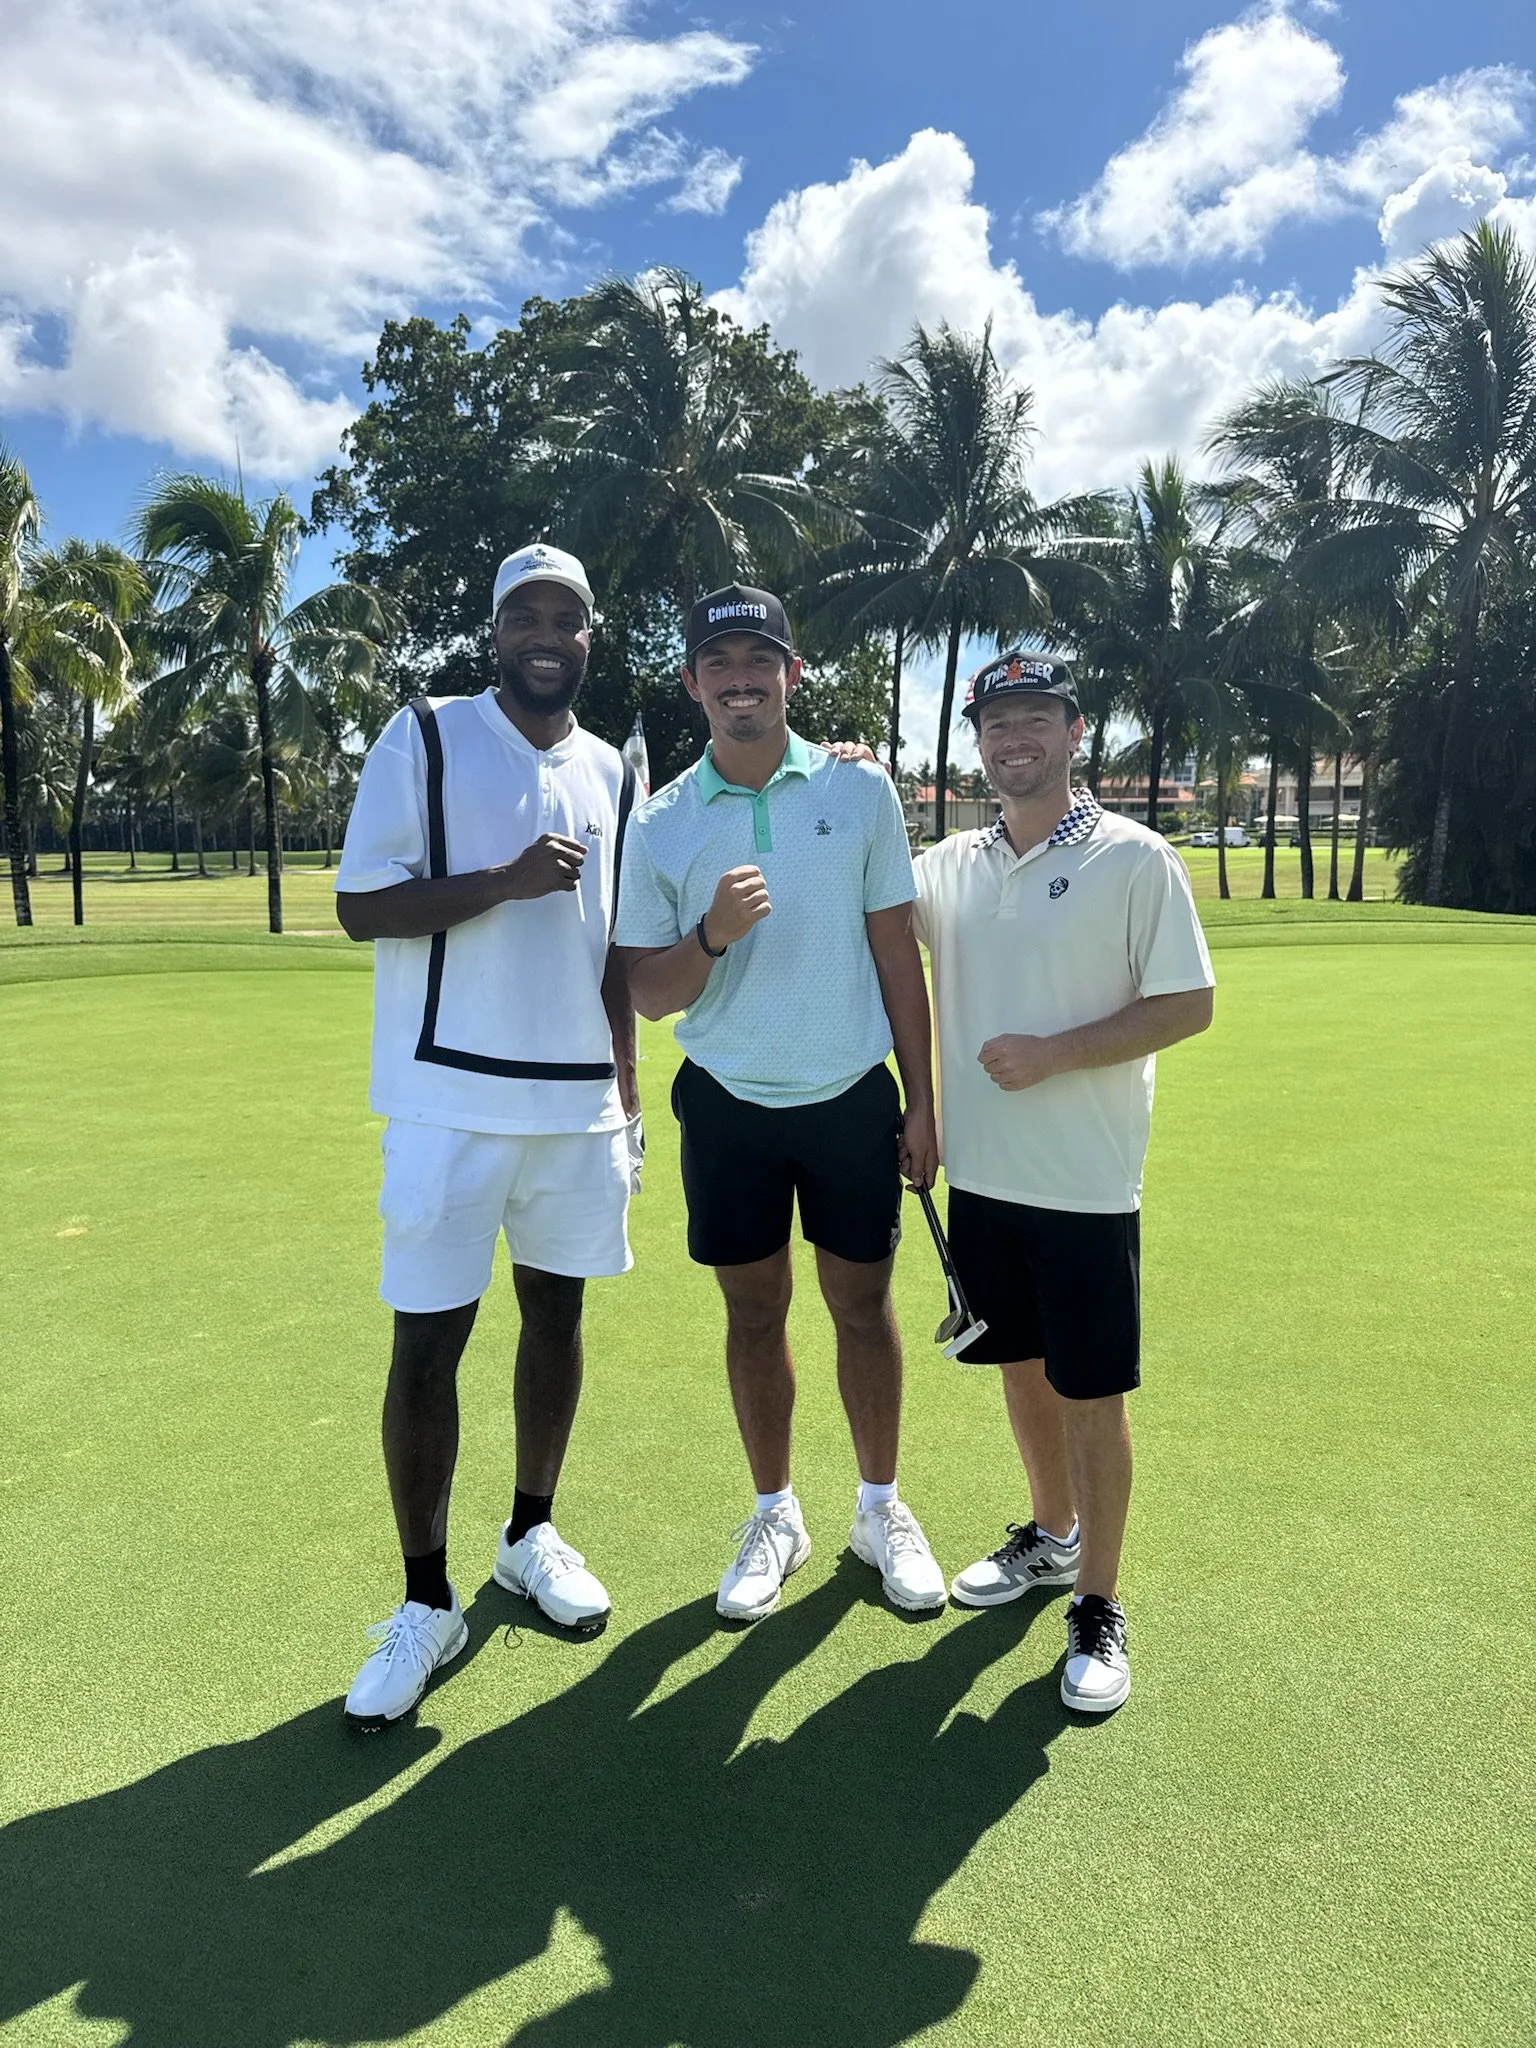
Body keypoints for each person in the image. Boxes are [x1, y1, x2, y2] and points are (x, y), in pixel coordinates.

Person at [333, 543, 642, 1728]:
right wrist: (501, 881)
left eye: (567, 614)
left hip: (574, 1104)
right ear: (496, 630)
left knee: (557, 1320)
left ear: (588, 636)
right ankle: (425, 1599)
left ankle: (531, 1530)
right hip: (445, 1100)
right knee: (427, 1349)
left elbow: (616, 947)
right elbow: (363, 903)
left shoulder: (618, 766)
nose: (546, 632)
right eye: (526, 614)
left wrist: (623, 1092)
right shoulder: (425, 731)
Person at [614, 584, 945, 1623]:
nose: (742, 678)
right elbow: (649, 992)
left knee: (862, 1307)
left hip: (850, 1096)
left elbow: (898, 950)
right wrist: (709, 933)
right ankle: (776, 1511)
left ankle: (879, 1507)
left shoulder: (861, 793)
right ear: (693, 682)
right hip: (727, 1106)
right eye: (721, 663)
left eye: (761, 660)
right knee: (755, 1312)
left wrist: (923, 1099)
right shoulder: (664, 820)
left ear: (792, 675)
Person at [913, 651, 1214, 1714]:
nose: (1013, 738)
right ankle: (1050, 1534)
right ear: (978, 739)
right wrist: (855, 773)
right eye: (997, 723)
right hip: (983, 1180)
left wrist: (1056, 1051)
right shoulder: (949, 864)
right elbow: (864, 900)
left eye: (1035, 717)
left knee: (1092, 1390)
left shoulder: (1136, 859)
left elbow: (1186, 1004)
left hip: (1087, 1182)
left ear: (1074, 731)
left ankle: (1098, 1601)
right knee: (1020, 1367)